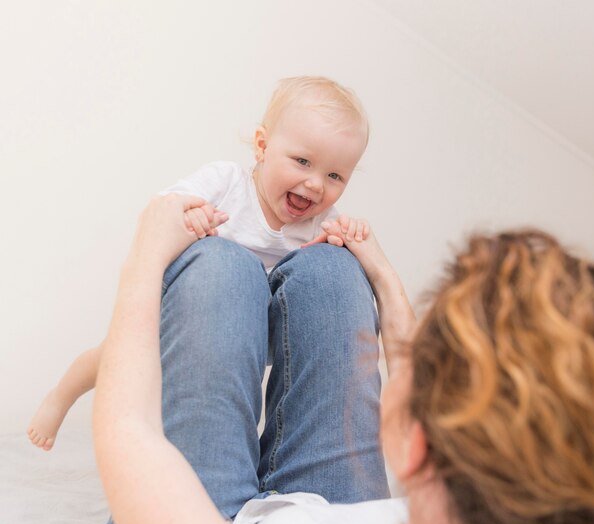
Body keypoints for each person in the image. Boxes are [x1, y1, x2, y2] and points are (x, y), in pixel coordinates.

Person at [94, 192, 594, 524]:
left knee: (217, 264)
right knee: (331, 269)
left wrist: (145, 254)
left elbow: (128, 430)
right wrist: (385, 282)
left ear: (414, 446)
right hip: (327, 523)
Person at [27, 75, 371, 450]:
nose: (316, 184)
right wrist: (193, 214)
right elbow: (166, 209)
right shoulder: (227, 182)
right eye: (302, 161)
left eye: (335, 175)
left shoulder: (321, 220)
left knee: (227, 389)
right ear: (262, 146)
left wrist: (345, 236)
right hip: (188, 311)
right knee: (111, 357)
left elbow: (332, 275)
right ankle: (60, 397)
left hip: (258, 332)